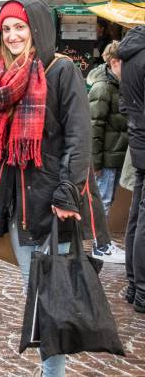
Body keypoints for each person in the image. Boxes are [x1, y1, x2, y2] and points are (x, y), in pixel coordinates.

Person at [0, 0, 110, 376]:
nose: (13, 35)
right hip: (18, 206)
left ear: (37, 29)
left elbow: (79, 136)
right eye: (6, 29)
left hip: (55, 204)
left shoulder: (61, 70)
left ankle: (53, 373)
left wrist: (67, 190)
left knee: (50, 301)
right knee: (36, 296)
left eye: (20, 27)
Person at [87, 40, 127, 264]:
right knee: (101, 201)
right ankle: (100, 246)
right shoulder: (103, 88)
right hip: (106, 159)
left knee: (104, 201)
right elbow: (94, 127)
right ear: (114, 62)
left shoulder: (116, 85)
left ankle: (102, 244)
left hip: (113, 155)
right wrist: (97, 164)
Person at [118, 25, 145, 312]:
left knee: (137, 215)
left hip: (138, 139)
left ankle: (134, 284)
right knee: (142, 218)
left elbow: (124, 105)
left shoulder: (130, 53)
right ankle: (142, 291)